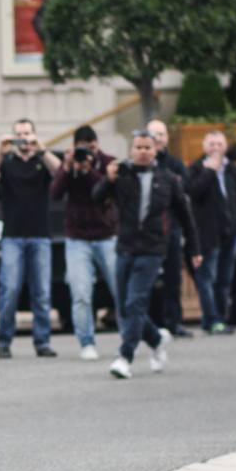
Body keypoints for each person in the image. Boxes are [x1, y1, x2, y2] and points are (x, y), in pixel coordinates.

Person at [94, 130, 201, 378]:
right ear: (131, 150)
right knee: (124, 308)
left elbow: (186, 216)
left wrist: (193, 249)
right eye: (138, 147)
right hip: (125, 247)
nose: (143, 152)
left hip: (153, 249)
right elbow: (96, 198)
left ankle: (125, 357)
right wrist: (107, 180)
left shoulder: (168, 178)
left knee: (135, 303)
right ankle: (156, 340)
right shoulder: (121, 175)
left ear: (156, 151)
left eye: (147, 147)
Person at [0, 118, 61, 358]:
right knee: (10, 290)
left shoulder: (41, 161)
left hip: (41, 235)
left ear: (34, 135)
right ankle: (4, 342)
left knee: (42, 292)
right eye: (19, 134)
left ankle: (42, 342)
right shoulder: (7, 163)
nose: (24, 138)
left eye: (27, 134)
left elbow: (60, 173)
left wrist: (41, 149)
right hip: (13, 235)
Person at [50, 125, 118, 359]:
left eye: (90, 149)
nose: (85, 154)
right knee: (80, 293)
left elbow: (107, 191)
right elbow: (55, 194)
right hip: (77, 237)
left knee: (121, 288)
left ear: (96, 146)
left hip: (106, 234)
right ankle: (86, 342)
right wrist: (67, 168)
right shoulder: (69, 164)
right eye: (82, 149)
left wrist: (88, 170)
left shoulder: (109, 162)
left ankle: (133, 335)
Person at [187, 130, 236, 335]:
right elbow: (194, 192)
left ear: (225, 147)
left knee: (224, 280)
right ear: (204, 147)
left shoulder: (234, 170)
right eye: (211, 144)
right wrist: (210, 171)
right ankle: (211, 320)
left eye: (219, 144)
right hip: (207, 235)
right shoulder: (196, 168)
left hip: (231, 234)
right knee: (206, 279)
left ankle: (220, 319)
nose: (215, 148)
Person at [146, 119, 193, 337]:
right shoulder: (142, 162)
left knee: (174, 277)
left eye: (161, 134)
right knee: (148, 277)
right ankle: (149, 323)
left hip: (172, 227)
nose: (157, 138)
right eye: (153, 134)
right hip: (148, 230)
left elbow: (187, 188)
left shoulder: (175, 164)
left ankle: (173, 322)